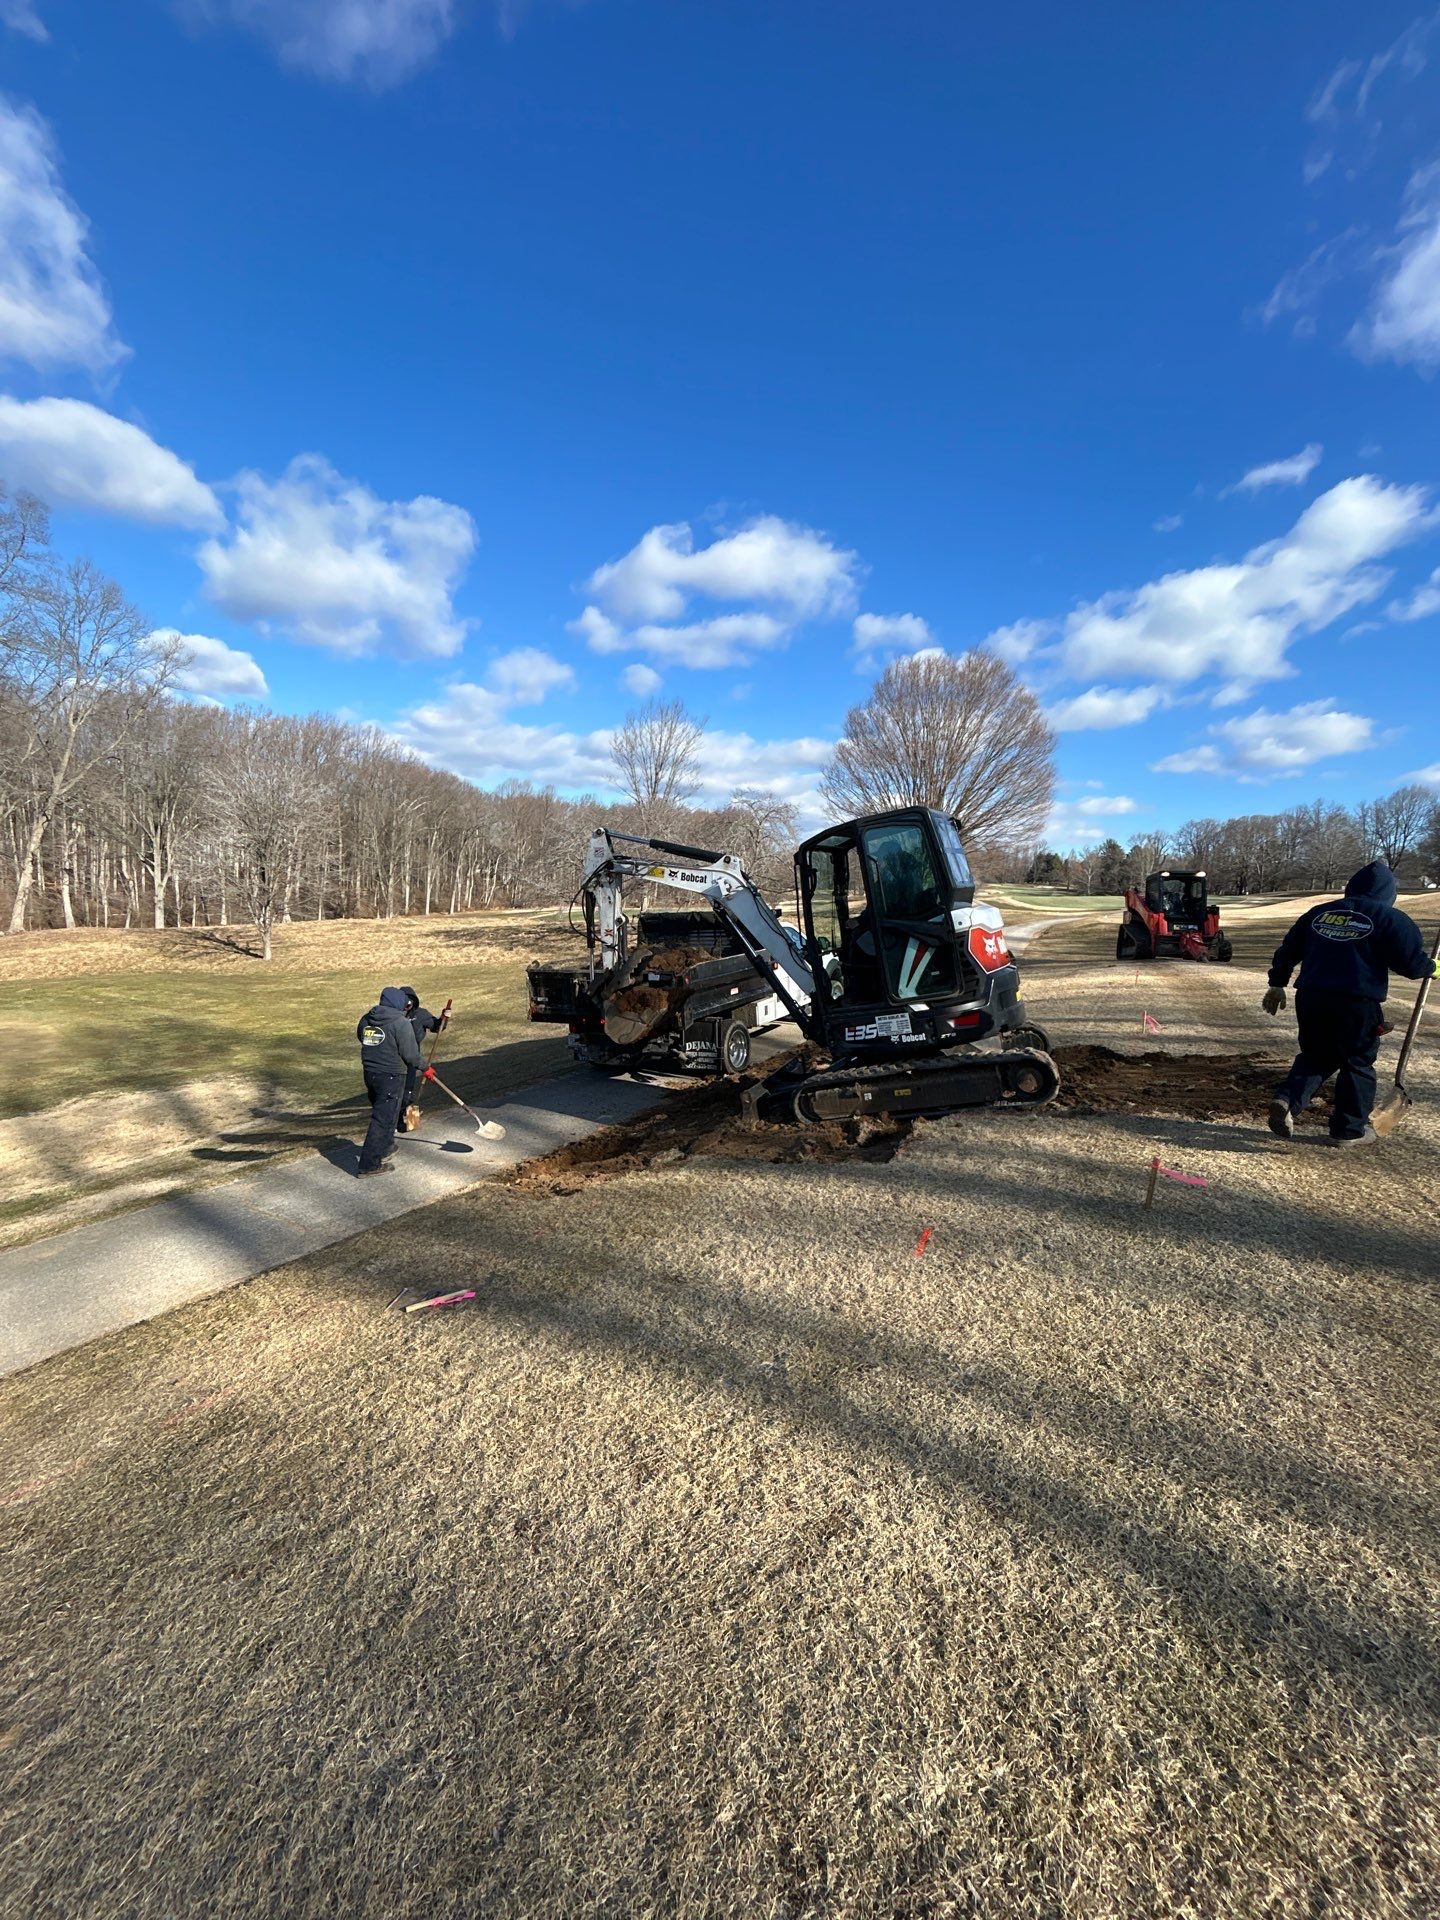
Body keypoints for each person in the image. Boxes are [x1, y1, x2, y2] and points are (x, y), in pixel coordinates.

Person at [1263, 860, 1435, 1147]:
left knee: (1317, 1055)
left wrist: (1277, 984)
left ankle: (1287, 1100)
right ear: (1388, 893)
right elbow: (1412, 965)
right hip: (1357, 1000)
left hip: (1312, 996)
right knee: (1357, 1062)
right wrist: (1433, 967)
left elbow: (1288, 949)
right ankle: (1349, 1130)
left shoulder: (1319, 913)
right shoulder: (1391, 918)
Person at [355, 986, 423, 1175]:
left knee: (388, 1114)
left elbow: (361, 1036)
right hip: (391, 1075)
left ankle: (384, 1148)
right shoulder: (401, 1023)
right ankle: (369, 1165)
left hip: (370, 1073)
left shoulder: (367, 1018)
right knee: (382, 1119)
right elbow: (411, 1055)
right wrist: (425, 1067)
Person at [395, 987, 447, 1133]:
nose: (407, 1006)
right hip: (395, 1060)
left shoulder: (420, 1014)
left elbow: (437, 1027)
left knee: (409, 1092)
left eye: (409, 1003)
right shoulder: (395, 1016)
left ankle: (411, 1123)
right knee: (396, 1092)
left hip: (412, 1059)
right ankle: (395, 1123)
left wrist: (444, 1018)